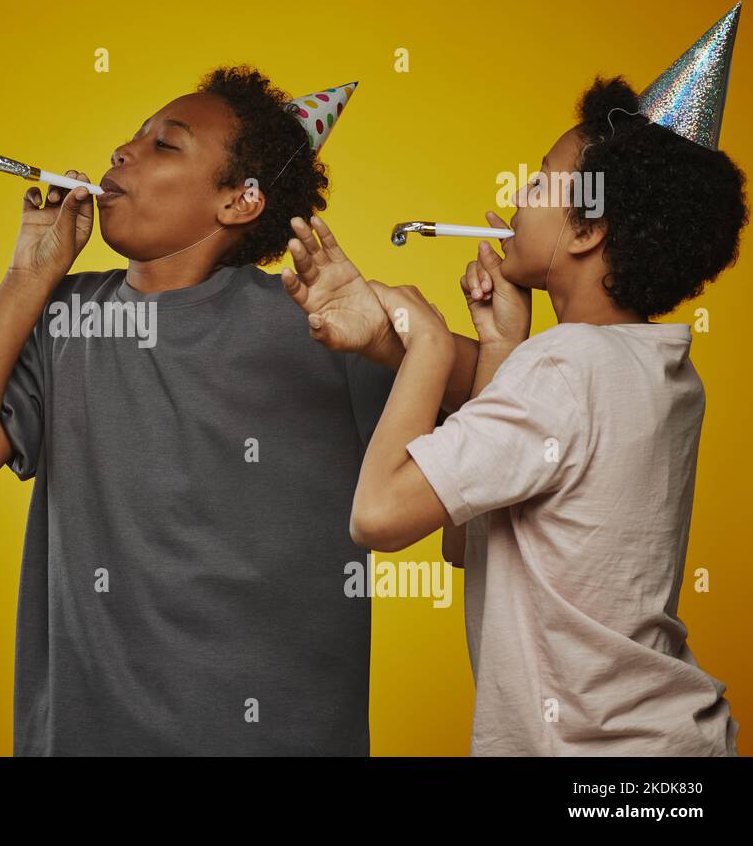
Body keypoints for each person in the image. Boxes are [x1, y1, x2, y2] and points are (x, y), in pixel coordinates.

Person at [0, 65, 480, 755]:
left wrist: (397, 344)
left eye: (165, 145)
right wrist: (27, 277)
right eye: (134, 136)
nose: (124, 151)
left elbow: (514, 408)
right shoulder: (63, 317)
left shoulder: (319, 323)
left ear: (239, 203)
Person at [314, 65, 746, 754]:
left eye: (541, 181)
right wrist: (499, 346)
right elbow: (466, 541)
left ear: (585, 232)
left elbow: (378, 516)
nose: (517, 195)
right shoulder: (657, 369)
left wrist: (425, 344)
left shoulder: (563, 368)